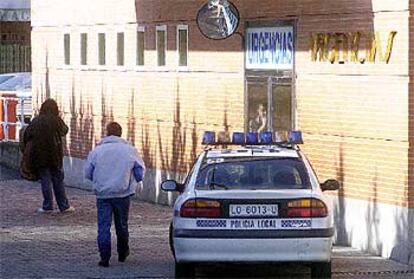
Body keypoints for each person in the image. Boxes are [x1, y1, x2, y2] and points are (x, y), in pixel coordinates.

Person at [84, 122, 145, 267]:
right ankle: (123, 252)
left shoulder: (97, 151)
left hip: (103, 194)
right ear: (120, 133)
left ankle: (104, 257)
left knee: (103, 226)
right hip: (123, 193)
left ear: (107, 133)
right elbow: (139, 172)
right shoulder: (130, 150)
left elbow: (88, 173)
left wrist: (99, 181)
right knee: (122, 224)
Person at [23, 98, 74, 214]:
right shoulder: (56, 120)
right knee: (58, 180)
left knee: (45, 180)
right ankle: (63, 205)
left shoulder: (36, 121)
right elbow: (65, 131)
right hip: (55, 155)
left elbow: (27, 135)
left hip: (39, 156)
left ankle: (47, 206)